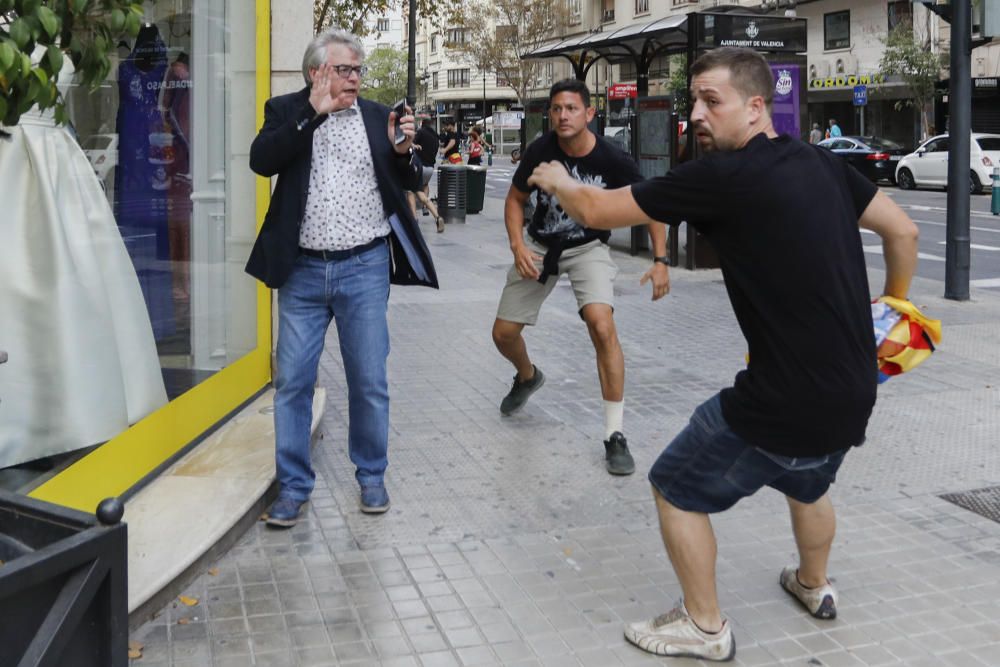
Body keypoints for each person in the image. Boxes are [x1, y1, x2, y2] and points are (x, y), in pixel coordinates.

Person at [527, 48, 918, 661]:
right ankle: (814, 586)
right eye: (694, 102)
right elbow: (903, 232)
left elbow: (599, 209)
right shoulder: (821, 162)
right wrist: (892, 313)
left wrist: (555, 179)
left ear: (757, 107)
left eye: (713, 101)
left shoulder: (722, 177)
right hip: (854, 388)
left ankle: (705, 627)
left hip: (780, 398)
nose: (698, 115)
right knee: (808, 481)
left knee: (673, 486)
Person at [246, 28, 438, 527]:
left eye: (358, 70)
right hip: (304, 271)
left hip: (364, 267)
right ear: (318, 72)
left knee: (369, 378)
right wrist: (313, 113)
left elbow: (414, 178)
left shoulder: (377, 117)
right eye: (344, 69)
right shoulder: (286, 109)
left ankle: (371, 476)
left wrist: (403, 152)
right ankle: (292, 487)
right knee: (292, 382)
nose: (354, 78)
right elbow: (260, 160)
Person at [492, 78, 670, 476]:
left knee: (602, 325)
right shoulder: (541, 150)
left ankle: (615, 434)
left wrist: (660, 259)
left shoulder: (613, 159)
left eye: (571, 108)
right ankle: (527, 376)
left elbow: (651, 204)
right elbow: (515, 199)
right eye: (556, 109)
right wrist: (517, 245)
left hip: (588, 248)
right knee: (503, 334)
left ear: (590, 113)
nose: (562, 115)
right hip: (540, 247)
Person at [409, 118, 445, 233]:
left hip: (418, 167)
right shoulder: (435, 136)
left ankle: (414, 219)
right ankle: (437, 216)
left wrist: (412, 145)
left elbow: (410, 144)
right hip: (430, 168)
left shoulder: (420, 132)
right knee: (423, 188)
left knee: (410, 191)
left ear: (422, 124)